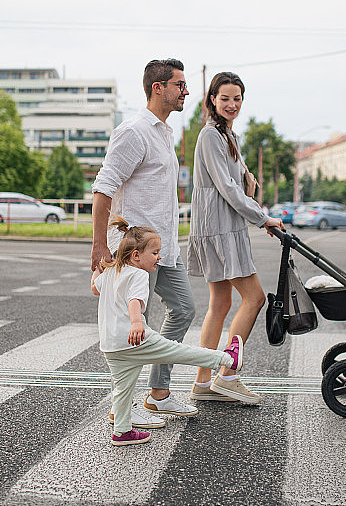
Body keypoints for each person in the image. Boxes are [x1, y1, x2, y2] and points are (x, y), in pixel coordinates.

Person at [91, 58, 199, 424]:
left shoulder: (164, 132)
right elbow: (104, 187)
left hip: (163, 246)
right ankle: (122, 407)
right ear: (158, 88)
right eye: (180, 85)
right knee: (133, 323)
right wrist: (99, 245)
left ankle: (158, 394)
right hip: (134, 249)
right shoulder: (134, 131)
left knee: (183, 309)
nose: (186, 91)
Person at [92, 217, 244, 446]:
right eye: (155, 253)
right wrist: (137, 323)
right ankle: (228, 359)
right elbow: (134, 301)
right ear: (136, 255)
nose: (159, 257)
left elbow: (95, 288)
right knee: (180, 352)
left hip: (111, 346)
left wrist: (98, 269)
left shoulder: (112, 272)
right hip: (135, 339)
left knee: (122, 391)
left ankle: (122, 432)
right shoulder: (139, 275)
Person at [187, 71, 283, 404]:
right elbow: (227, 188)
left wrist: (248, 179)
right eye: (225, 98)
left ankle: (203, 382)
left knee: (220, 304)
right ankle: (227, 375)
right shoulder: (211, 135)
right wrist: (262, 217)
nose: (231, 104)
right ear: (212, 99)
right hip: (221, 228)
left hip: (216, 225)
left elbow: (238, 179)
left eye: (237, 98)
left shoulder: (227, 134)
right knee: (254, 298)